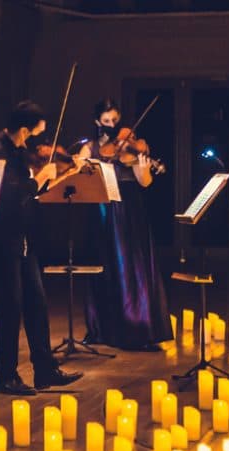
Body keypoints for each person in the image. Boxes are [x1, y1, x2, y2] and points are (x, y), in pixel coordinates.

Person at [0, 100, 83, 396]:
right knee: (10, 306)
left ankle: (45, 369)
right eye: (34, 134)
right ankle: (7, 376)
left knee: (36, 302)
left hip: (23, 237)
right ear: (23, 129)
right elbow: (10, 195)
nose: (36, 142)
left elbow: (31, 192)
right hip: (0, 239)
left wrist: (60, 176)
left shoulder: (17, 150)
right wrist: (40, 177)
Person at [78, 98, 172, 351]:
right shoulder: (90, 148)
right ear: (98, 122)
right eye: (107, 121)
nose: (112, 126)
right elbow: (78, 175)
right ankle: (100, 328)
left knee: (132, 269)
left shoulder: (135, 146)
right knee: (103, 267)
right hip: (102, 210)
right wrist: (82, 165)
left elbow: (145, 183)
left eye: (116, 121)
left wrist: (143, 167)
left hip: (129, 211)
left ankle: (138, 328)